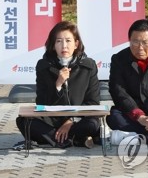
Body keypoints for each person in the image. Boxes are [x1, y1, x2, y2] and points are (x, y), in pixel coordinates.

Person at [15, 21, 101, 149]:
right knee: (24, 121)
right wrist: (58, 85)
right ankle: (73, 139)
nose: (64, 46)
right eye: (59, 41)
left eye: (68, 41)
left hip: (78, 119)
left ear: (76, 44)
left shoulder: (88, 66)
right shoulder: (44, 66)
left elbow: (93, 102)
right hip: (53, 120)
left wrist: (70, 121)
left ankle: (55, 138)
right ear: (53, 45)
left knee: (93, 124)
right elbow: (41, 103)